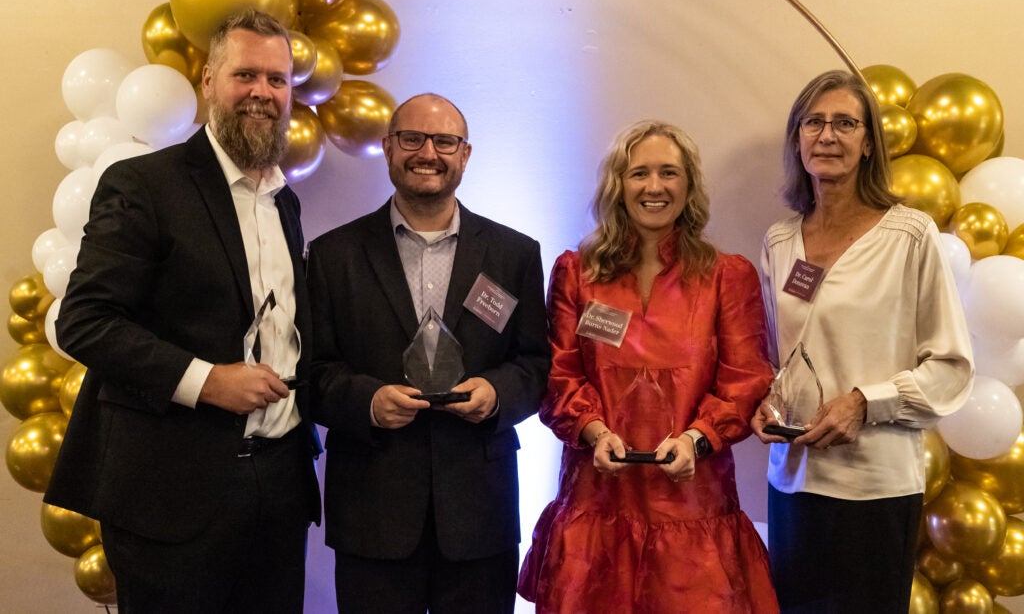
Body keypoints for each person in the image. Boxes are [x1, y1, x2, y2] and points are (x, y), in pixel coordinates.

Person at [44, 10, 321, 613]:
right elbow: (84, 319)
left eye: (277, 80)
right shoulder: (144, 184)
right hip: (169, 495)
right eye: (245, 74)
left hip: (278, 489)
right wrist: (206, 381)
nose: (262, 93)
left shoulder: (285, 202)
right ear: (207, 80)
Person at [518, 120, 778, 613]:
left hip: (693, 508)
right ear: (618, 184)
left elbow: (746, 380)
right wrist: (593, 431)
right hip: (597, 504)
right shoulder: (577, 272)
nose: (654, 187)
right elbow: (558, 373)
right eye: (639, 173)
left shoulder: (728, 276)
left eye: (668, 173)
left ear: (688, 186)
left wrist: (695, 440)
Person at [306, 92, 550, 613]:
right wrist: (368, 402)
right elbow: (312, 372)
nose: (428, 153)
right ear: (389, 147)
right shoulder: (332, 255)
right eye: (413, 139)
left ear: (465, 154)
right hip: (372, 510)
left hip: (479, 512)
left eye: (445, 141)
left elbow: (536, 363)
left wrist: (496, 393)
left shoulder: (515, 254)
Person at [751, 69, 974, 612]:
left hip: (874, 487)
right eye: (814, 123)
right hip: (793, 483)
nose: (827, 135)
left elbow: (951, 367)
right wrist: (761, 399)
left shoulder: (909, 235)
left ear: (869, 141)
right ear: (797, 139)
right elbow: (771, 354)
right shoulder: (779, 240)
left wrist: (865, 404)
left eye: (845, 123)